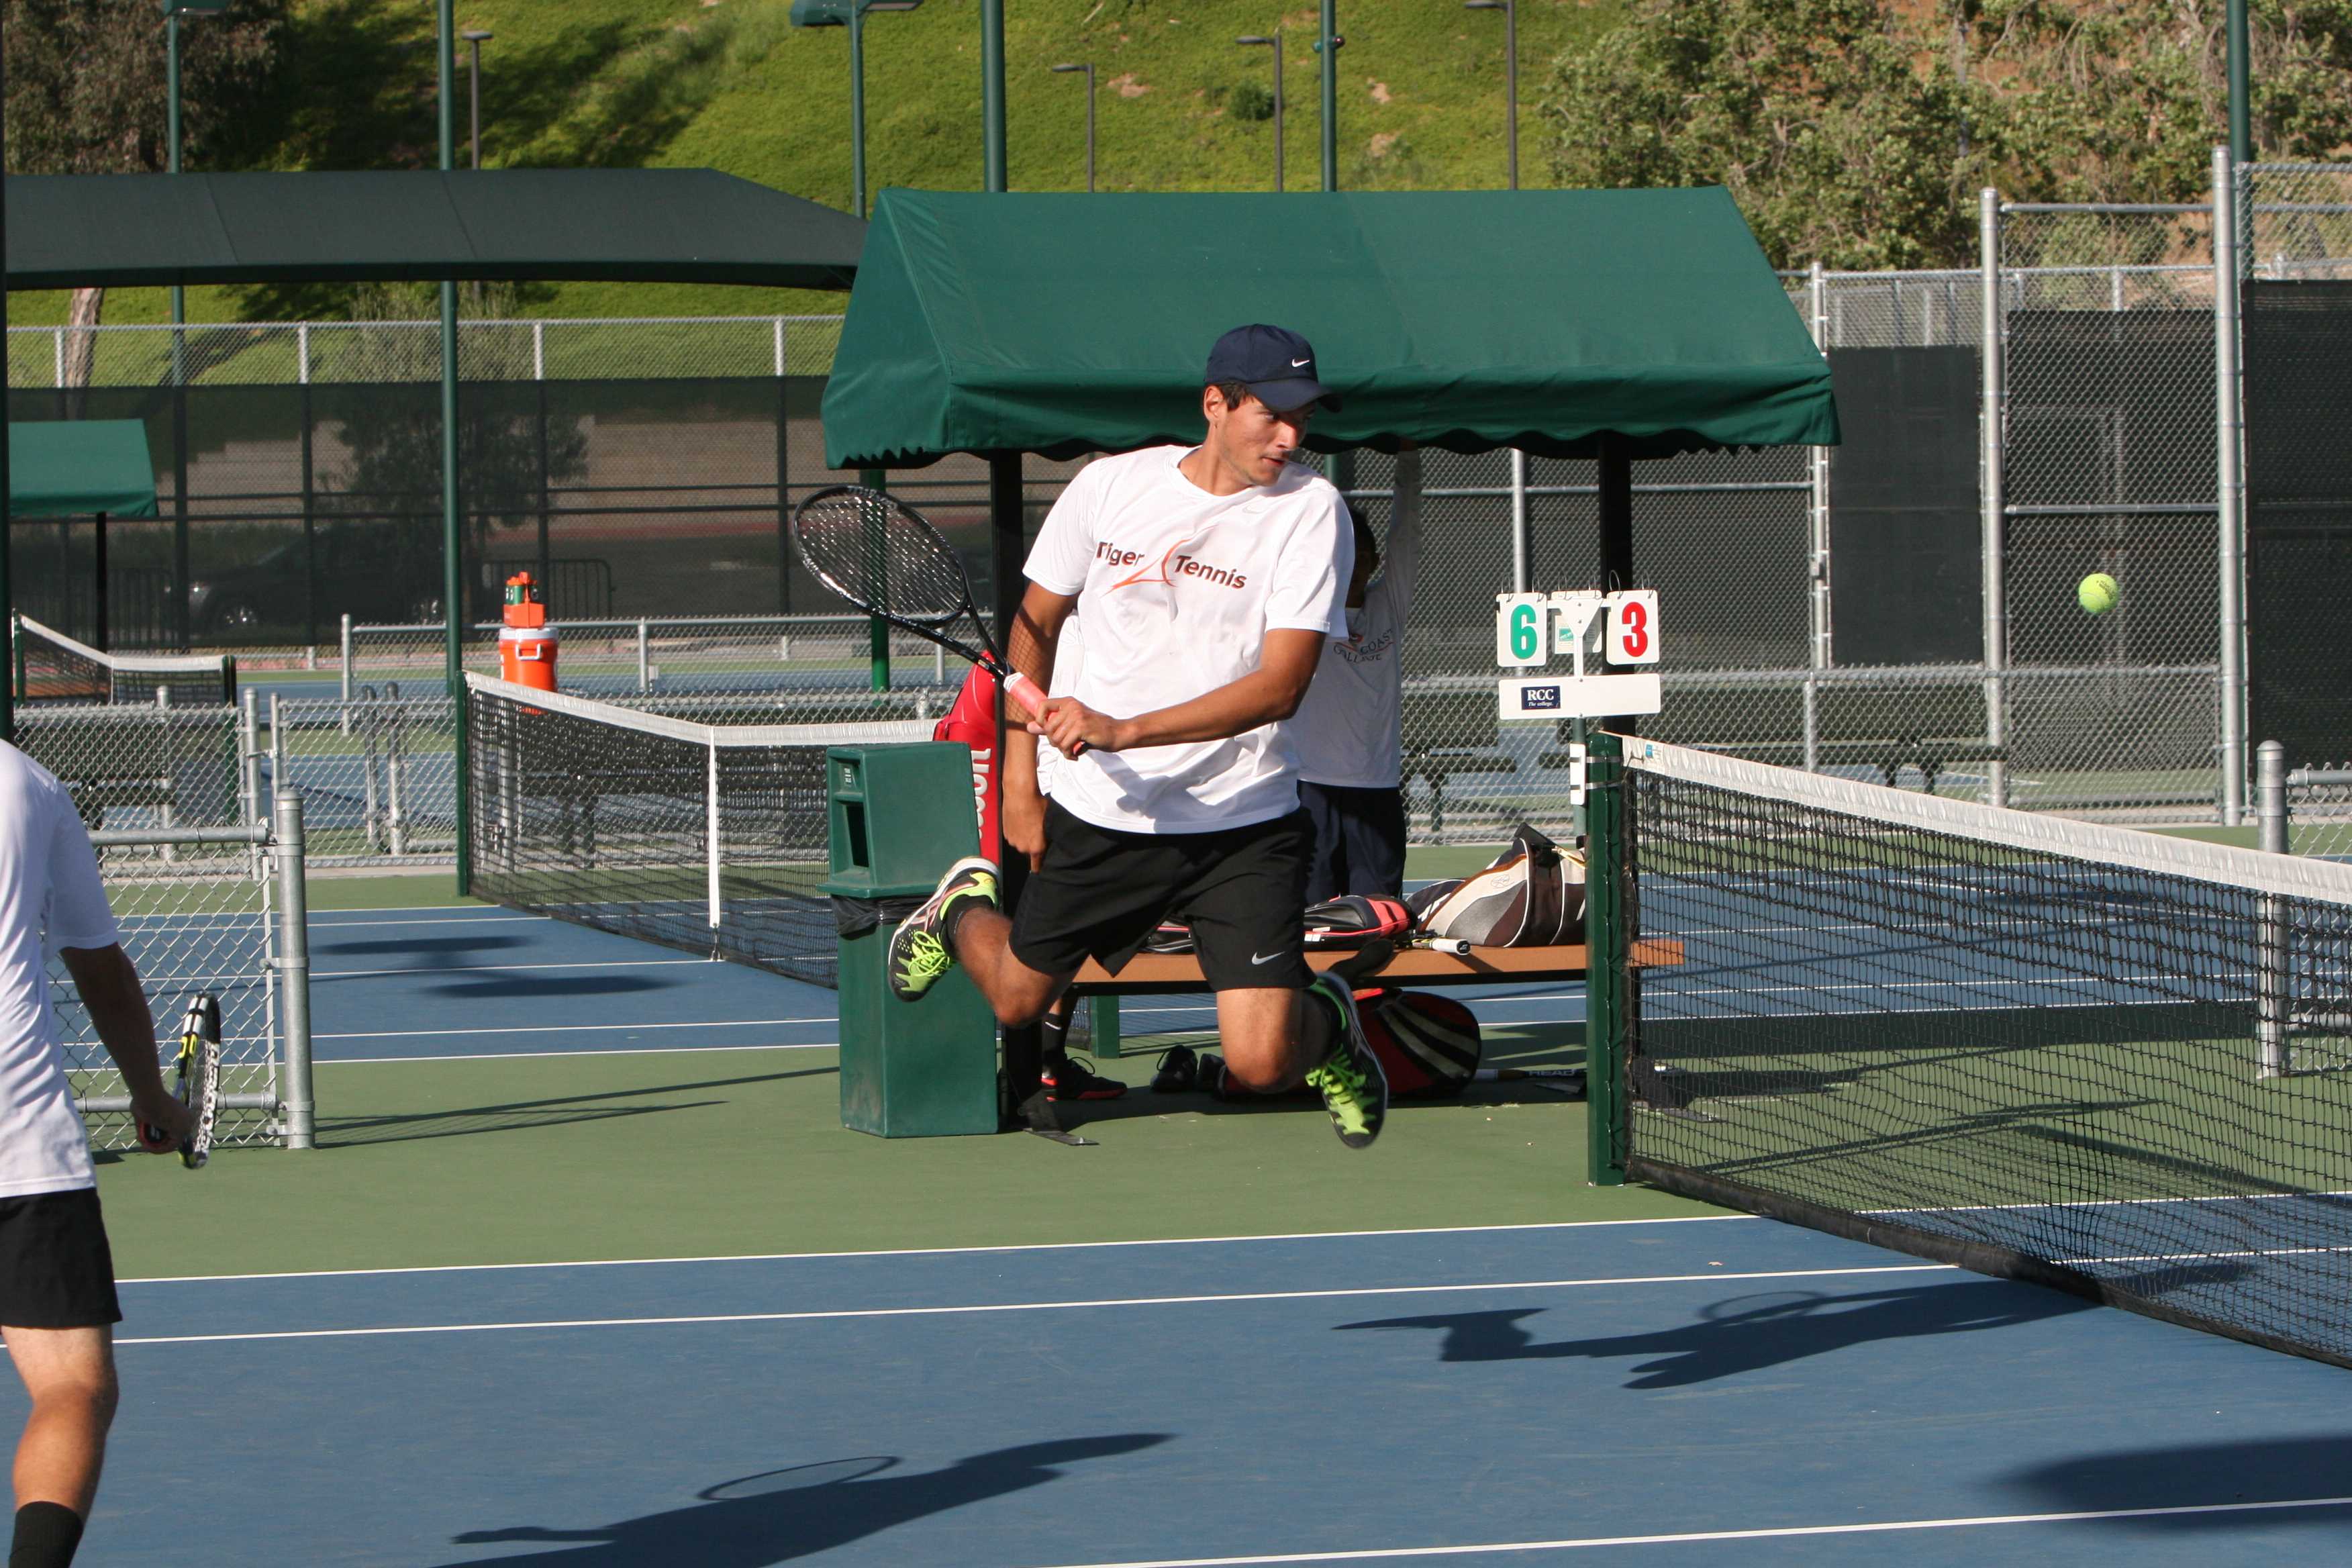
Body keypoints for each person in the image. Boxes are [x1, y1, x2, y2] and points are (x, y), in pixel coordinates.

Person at [885, 323, 1393, 1148]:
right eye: (1272, 415)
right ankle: (959, 910)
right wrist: (1020, 777)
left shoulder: (1312, 513)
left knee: (1262, 1064)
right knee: (1016, 998)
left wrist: (1123, 728)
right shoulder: (1107, 489)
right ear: (1215, 404)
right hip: (1101, 814)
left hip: (1245, 822)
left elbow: (1281, 686)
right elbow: (1034, 625)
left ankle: (1328, 1023)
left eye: (1304, 418)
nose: (1291, 436)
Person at [1, 740, 191, 1568]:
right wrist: (151, 1098)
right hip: (20, 1134)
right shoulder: (27, 783)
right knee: (72, 1385)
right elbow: (100, 968)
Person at [1290, 446, 1423, 903]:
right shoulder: (1303, 608)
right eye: (1346, 551)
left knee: (1378, 916)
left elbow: (1406, 538)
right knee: (1312, 919)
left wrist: (1408, 462)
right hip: (1311, 789)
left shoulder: (1389, 608)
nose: (1357, 561)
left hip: (1376, 790)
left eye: (1364, 551)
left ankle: (1373, 980)